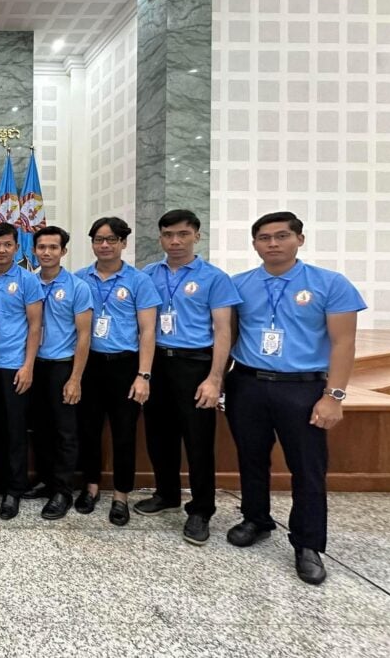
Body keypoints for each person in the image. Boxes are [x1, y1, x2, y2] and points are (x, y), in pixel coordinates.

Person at [225, 211, 365, 585]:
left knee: (307, 467)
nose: (273, 244)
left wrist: (333, 396)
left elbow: (344, 342)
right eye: (264, 238)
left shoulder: (329, 284)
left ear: (299, 239)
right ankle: (256, 518)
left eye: (282, 236)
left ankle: (307, 543)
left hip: (302, 386)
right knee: (250, 457)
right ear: (254, 244)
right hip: (249, 383)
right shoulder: (239, 285)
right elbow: (228, 334)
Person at [138, 210, 241, 544]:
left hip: (195, 365)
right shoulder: (148, 274)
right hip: (157, 364)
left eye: (183, 234)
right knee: (158, 434)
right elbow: (146, 326)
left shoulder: (214, 277)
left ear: (197, 235)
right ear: (160, 238)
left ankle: (201, 509)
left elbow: (224, 330)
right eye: (168, 235)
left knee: (197, 440)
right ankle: (167, 493)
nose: (175, 241)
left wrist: (215, 378)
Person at [74, 217, 160, 526]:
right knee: (89, 430)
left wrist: (144, 374)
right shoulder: (80, 278)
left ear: (123, 243)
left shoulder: (139, 281)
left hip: (126, 365)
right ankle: (91, 487)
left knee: (124, 434)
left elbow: (148, 331)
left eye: (112, 239)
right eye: (99, 239)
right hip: (89, 365)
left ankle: (121, 495)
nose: (105, 245)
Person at [0, 222, 44, 520]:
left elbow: (36, 326)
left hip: (14, 366)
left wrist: (28, 366)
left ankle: (14, 489)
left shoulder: (28, 281)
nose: (1, 250)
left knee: (15, 430)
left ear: (16, 248)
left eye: (7, 245)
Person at [30, 226, 93, 520]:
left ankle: (63, 490)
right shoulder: (30, 283)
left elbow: (84, 335)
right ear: (34, 250)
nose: (47, 252)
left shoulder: (78, 286)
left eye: (53, 247)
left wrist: (75, 378)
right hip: (34, 365)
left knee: (65, 431)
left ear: (63, 251)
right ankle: (45, 480)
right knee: (40, 428)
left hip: (63, 366)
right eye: (41, 247)